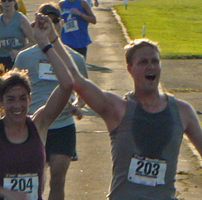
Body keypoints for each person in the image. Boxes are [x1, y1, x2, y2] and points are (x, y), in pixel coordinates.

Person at [53, 36, 202, 199]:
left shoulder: (183, 112)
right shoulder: (117, 109)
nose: (150, 66)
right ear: (130, 68)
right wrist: (52, 39)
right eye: (143, 62)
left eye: (155, 61)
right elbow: (77, 80)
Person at [0, 14, 74, 200]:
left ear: (30, 99)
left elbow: (67, 84)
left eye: (22, 98)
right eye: (11, 99)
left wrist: (45, 43)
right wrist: (3, 192)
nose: (17, 105)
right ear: (1, 102)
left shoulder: (39, 124)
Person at [13, 3, 88, 200]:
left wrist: (77, 106)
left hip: (63, 125)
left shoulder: (75, 59)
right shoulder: (24, 57)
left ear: (61, 23)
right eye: (45, 20)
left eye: (55, 20)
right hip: (34, 125)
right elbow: (13, 91)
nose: (51, 24)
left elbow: (84, 94)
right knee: (37, 179)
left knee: (58, 179)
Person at [0, 0, 35, 71]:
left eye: (9, 0)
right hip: (2, 59)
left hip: (18, 60)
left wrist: (19, 52)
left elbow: (33, 41)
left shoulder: (21, 19)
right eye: (3, 1)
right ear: (0, 3)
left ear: (14, 2)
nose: (6, 3)